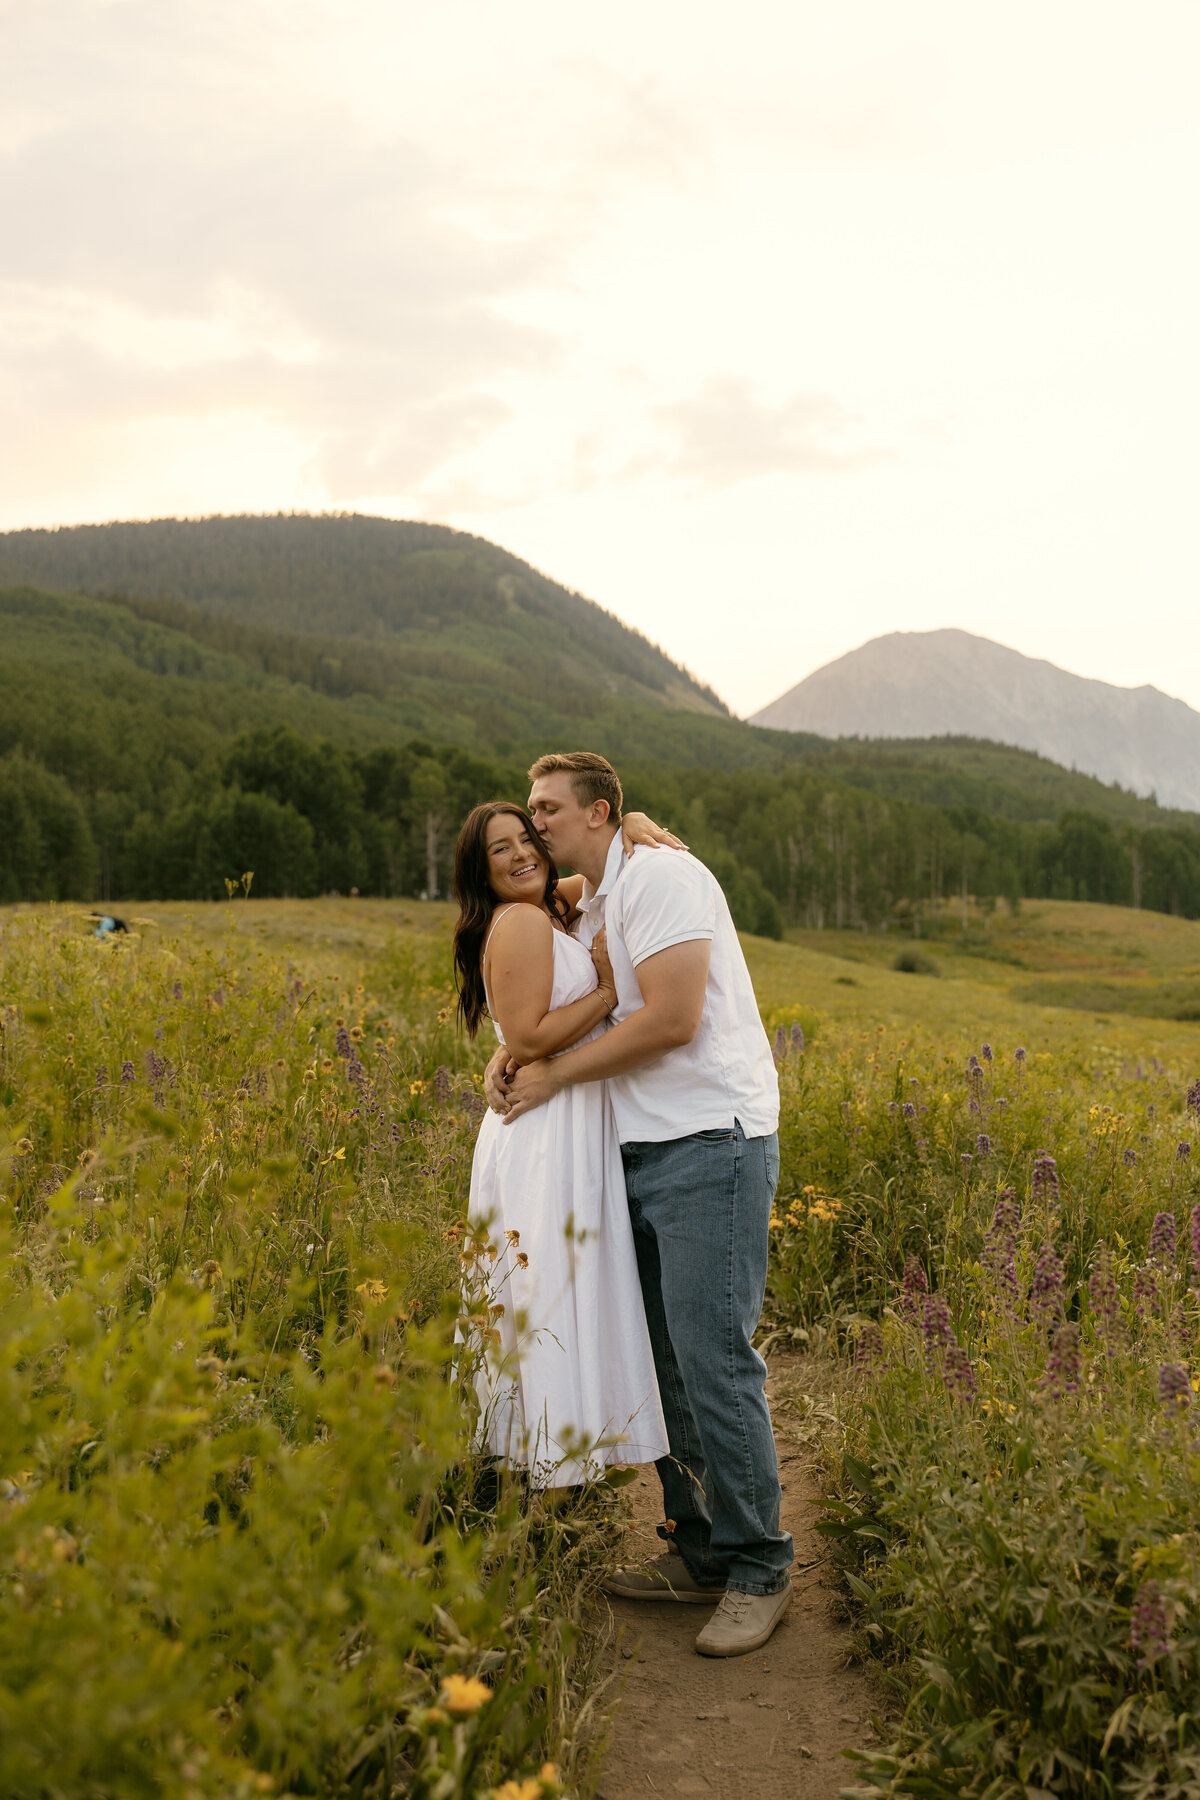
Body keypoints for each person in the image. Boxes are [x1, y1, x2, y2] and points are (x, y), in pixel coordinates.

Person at [485, 751, 793, 1657]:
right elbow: (547, 990)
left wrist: (547, 1078)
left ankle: (758, 1566)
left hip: (710, 1141)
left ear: (600, 809)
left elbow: (671, 1019)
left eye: (546, 808)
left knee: (711, 1358)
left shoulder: (661, 877)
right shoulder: (602, 891)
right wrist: (515, 1054)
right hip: (636, 1146)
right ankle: (700, 1548)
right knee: (659, 1360)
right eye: (529, 810)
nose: (534, 821)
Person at [453, 800, 673, 1491]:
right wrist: (607, 989)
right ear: (479, 871)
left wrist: (632, 821)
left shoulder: (548, 906)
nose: (521, 854)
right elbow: (524, 1039)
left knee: (557, 1284)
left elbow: (602, 872)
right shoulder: (519, 920)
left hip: (565, 1119)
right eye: (501, 850)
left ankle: (554, 1456)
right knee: (544, 1286)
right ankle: (543, 1462)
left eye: (527, 838)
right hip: (545, 1132)